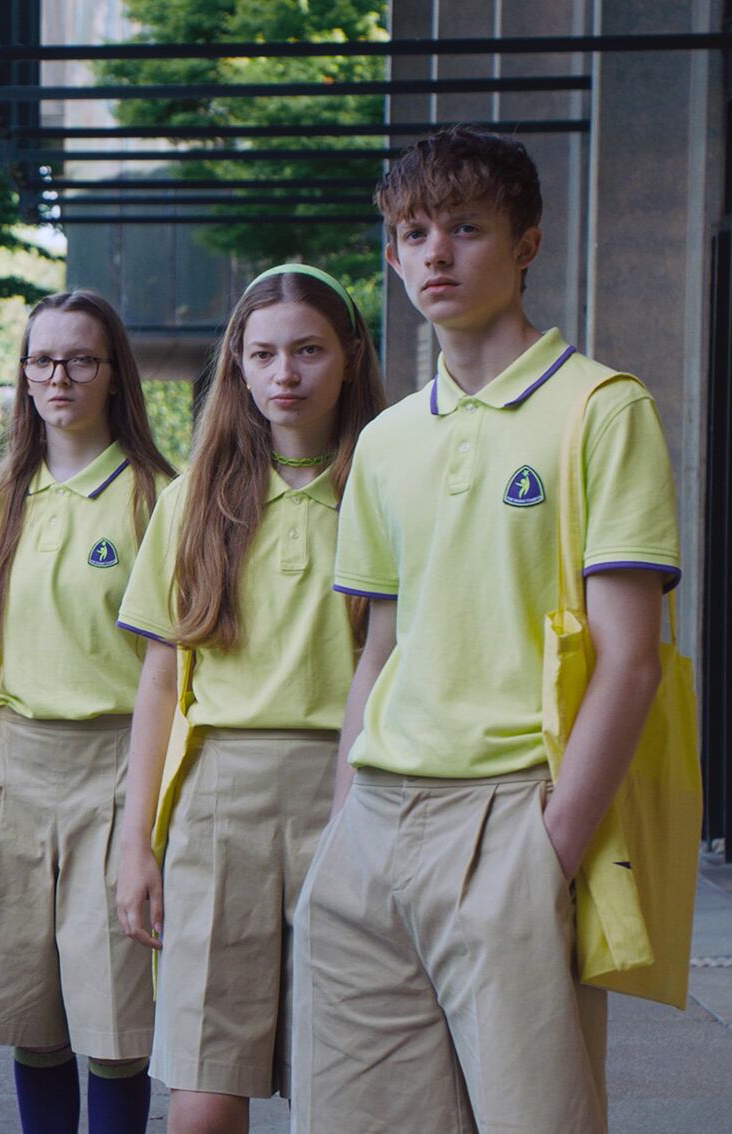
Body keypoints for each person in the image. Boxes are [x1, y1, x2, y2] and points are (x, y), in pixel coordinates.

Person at [293, 126, 681, 1132]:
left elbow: (632, 661)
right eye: (414, 232)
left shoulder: (601, 410)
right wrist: (345, 815)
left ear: (527, 244)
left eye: (467, 228)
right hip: (372, 824)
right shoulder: (382, 441)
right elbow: (379, 646)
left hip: (513, 815)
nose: (436, 253)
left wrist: (552, 849)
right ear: (390, 252)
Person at [114, 265, 384, 1134]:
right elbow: (159, 677)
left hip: (356, 787)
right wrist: (135, 843)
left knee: (347, 1079)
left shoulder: (388, 482)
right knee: (202, 1080)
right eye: (262, 353)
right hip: (220, 794)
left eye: (307, 350)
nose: (284, 374)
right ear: (236, 362)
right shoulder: (196, 494)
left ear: (348, 355)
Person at [0, 290, 176, 1134]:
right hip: (12, 767)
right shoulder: (0, 499)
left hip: (115, 772)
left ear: (113, 375)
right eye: (41, 360)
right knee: (28, 1021)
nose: (57, 376)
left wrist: (155, 819)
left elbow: (176, 673)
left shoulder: (155, 497)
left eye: (79, 360)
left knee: (114, 1028)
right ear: (23, 376)